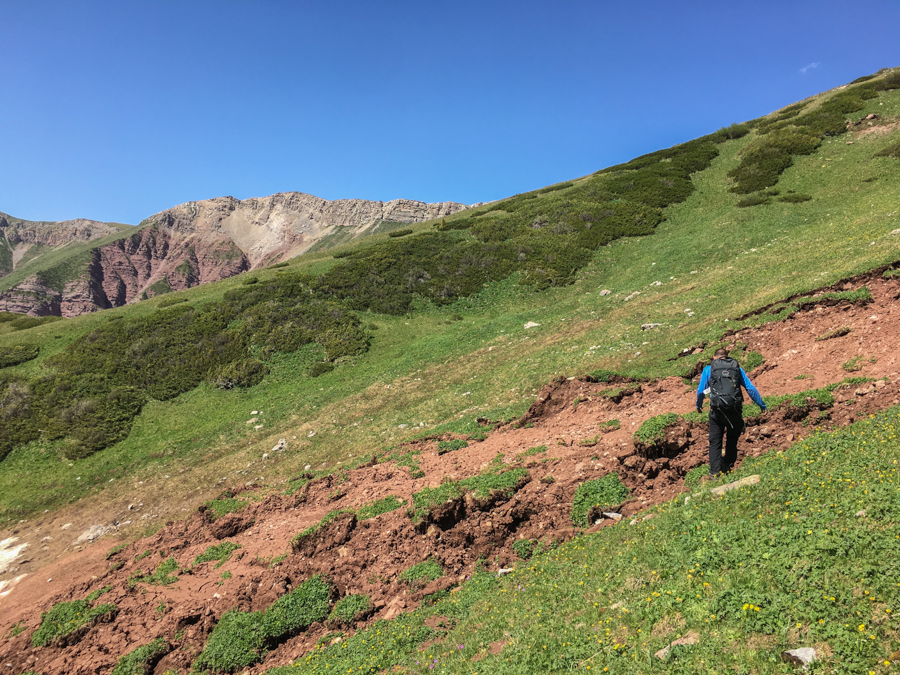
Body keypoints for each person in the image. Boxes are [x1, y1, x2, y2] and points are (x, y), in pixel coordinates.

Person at [695, 348, 766, 476]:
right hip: (735, 409)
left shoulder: (708, 369)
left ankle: (715, 473)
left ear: (714, 357)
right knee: (732, 438)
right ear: (727, 357)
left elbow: (701, 391)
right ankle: (728, 465)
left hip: (717, 410)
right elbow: (750, 388)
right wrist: (761, 404)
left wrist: (698, 405)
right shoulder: (736, 367)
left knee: (715, 441)